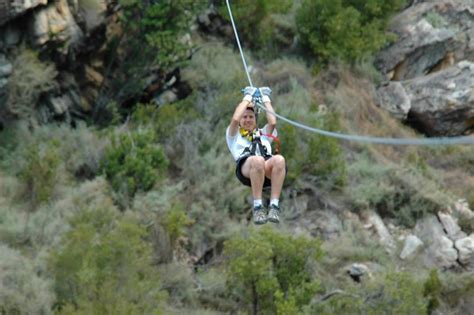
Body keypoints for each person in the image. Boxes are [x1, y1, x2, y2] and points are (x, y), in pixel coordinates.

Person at [226, 86, 286, 225]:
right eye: (244, 117)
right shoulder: (234, 135)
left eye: (251, 117)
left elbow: (273, 122)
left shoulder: (263, 133)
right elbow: (235, 119)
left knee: (279, 159)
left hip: (265, 169)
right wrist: (247, 98)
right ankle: (258, 207)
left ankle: (274, 205)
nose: (247, 120)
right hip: (247, 169)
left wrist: (265, 99)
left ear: (255, 119)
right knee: (257, 160)